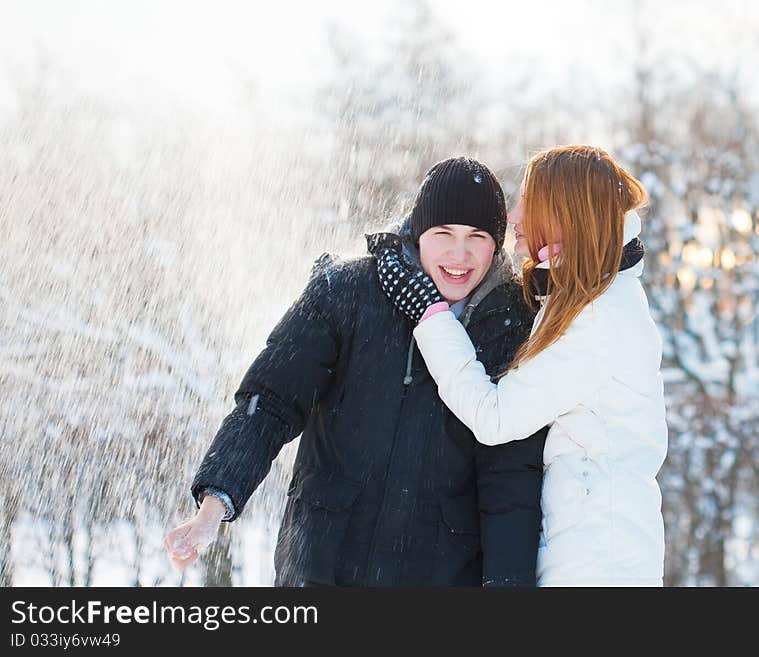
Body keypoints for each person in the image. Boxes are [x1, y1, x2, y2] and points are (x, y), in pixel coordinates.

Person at [164, 157, 548, 586]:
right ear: (418, 233)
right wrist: (214, 505)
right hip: (321, 566)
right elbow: (270, 402)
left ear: (496, 244)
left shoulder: (512, 325)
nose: (459, 255)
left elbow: (510, 482)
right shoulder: (346, 293)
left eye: (477, 237)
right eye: (443, 234)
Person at [375, 145, 668, 586]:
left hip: (595, 561)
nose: (514, 217)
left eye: (528, 204)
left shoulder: (595, 319)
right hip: (597, 544)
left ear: (562, 214)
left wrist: (430, 314)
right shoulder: (592, 298)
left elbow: (495, 418)